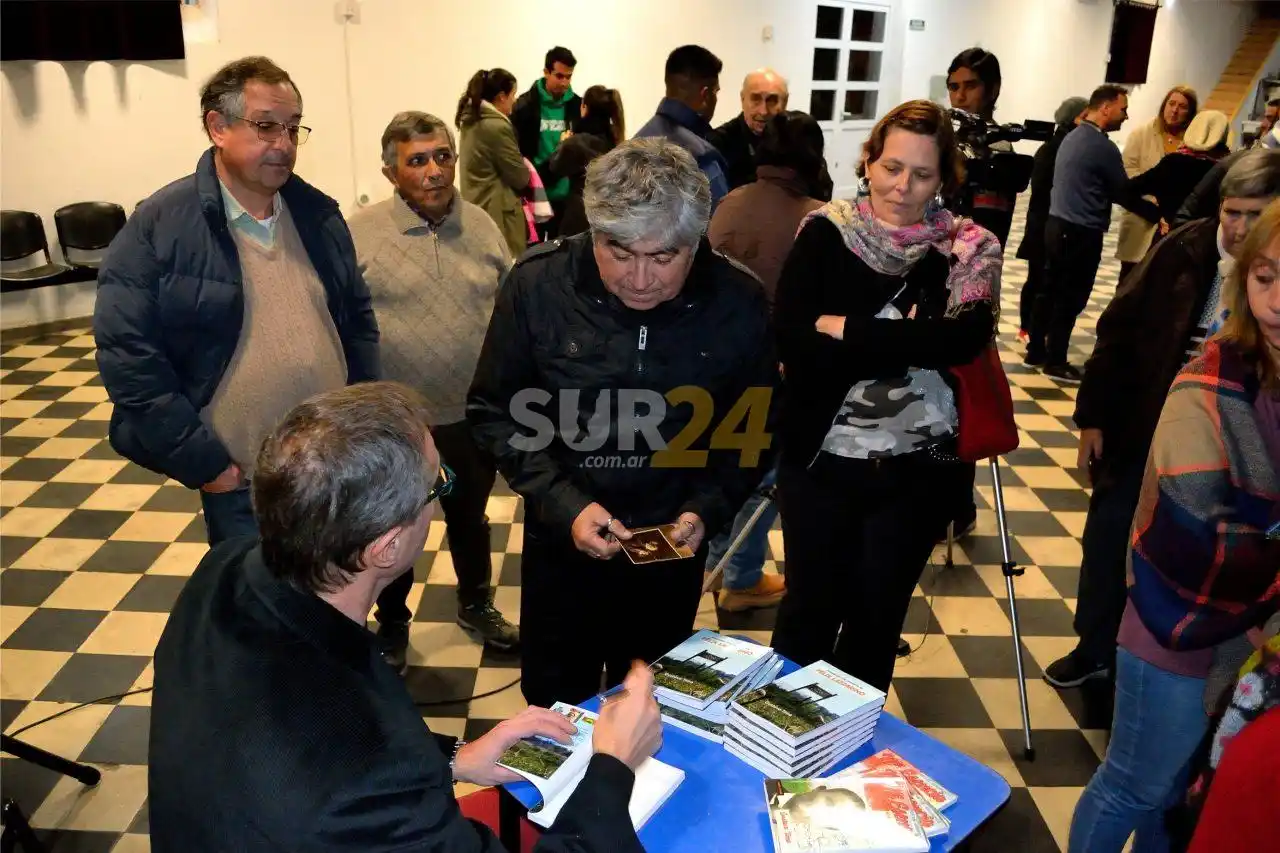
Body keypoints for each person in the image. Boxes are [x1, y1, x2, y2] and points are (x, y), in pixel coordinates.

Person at [148, 382, 663, 853]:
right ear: (388, 546)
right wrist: (614, 765)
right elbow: (355, 765)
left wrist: (454, 758)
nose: (442, 495)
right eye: (438, 483)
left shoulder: (224, 569)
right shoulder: (365, 791)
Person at [467, 138, 778, 708]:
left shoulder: (737, 301)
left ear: (697, 241)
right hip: (563, 549)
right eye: (619, 252)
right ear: (593, 231)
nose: (639, 279)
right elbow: (493, 411)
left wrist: (705, 511)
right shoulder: (538, 286)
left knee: (651, 713)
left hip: (670, 555)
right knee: (557, 716)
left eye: (663, 258)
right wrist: (567, 505)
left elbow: (754, 430)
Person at [93, 56, 379, 549]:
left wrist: (364, 419)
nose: (284, 145)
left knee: (334, 603)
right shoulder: (159, 226)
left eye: (293, 129)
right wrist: (204, 462)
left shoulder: (320, 216)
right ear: (218, 127)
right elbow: (129, 358)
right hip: (240, 482)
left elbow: (358, 324)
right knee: (259, 612)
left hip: (332, 468)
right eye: (266, 126)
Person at [1066, 199, 1280, 853]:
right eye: (1265, 276)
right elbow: (1193, 540)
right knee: (1138, 785)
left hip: (1250, 634)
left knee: (1187, 796)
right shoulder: (1207, 384)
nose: (1275, 299)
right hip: (1179, 626)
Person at [769, 100, 1002, 693]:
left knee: (875, 625)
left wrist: (848, 329)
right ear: (868, 161)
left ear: (944, 178)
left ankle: (847, 767)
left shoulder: (966, 246)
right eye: (892, 167)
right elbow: (795, 340)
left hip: (920, 469)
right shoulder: (825, 231)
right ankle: (780, 759)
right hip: (821, 458)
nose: (904, 186)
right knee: (807, 618)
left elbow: (965, 339)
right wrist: (915, 339)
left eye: (922, 174)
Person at [1045, 150, 1280, 690]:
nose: (1240, 227)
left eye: (1255, 214)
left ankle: (1193, 655)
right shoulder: (1183, 246)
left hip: (1236, 439)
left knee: (1205, 547)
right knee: (1111, 534)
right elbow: (1118, 331)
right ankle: (1095, 645)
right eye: (1232, 212)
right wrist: (1093, 418)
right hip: (1148, 422)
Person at [349, 112, 520, 670]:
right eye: (417, 160)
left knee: (468, 516)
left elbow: (511, 305)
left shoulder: (483, 226)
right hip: (395, 419)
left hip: (471, 412)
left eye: (442, 155)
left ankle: (476, 604)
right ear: (390, 170)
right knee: (392, 523)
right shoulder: (361, 233)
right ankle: (392, 622)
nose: (434, 170)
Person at [702, 110, 827, 613]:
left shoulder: (729, 203)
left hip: (716, 360)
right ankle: (740, 576)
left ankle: (713, 564)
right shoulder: (816, 217)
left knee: (723, 463)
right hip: (777, 367)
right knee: (765, 475)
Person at [1025, 84, 1142, 383]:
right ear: (1106, 107)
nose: (1125, 116)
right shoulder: (1101, 146)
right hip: (1081, 231)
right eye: (1123, 109)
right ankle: (1056, 360)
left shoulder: (1072, 137)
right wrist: (1157, 211)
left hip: (1057, 225)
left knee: (1049, 290)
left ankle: (1036, 350)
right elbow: (1124, 192)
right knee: (1071, 296)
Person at [1016, 96, 1088, 339]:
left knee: (1044, 280)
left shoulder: (1064, 146)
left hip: (1050, 224)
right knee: (1038, 279)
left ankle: (1035, 328)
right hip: (1044, 225)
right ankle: (1028, 327)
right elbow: (1043, 190)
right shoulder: (1053, 148)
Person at [1116, 85, 1198, 282]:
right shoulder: (1141, 134)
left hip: (1173, 223)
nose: (1175, 110)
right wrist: (1153, 199)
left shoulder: (1193, 142)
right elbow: (1128, 171)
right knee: (1129, 281)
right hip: (1142, 215)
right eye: (1171, 104)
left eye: (1182, 106)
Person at [634, 45, 731, 208]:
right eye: (716, 92)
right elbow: (720, 224)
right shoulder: (702, 157)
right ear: (705, 95)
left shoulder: (632, 145)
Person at [945, 48, 1017, 248]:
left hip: (971, 258)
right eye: (953, 87)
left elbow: (987, 224)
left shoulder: (997, 147)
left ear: (992, 90)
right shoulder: (953, 137)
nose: (960, 96)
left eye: (970, 86)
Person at [1124, 109, 1231, 240]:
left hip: (1169, 239)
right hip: (1206, 243)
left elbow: (1128, 190)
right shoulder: (1227, 170)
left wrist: (1155, 214)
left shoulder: (1172, 163)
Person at [457, 68, 530, 257]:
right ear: (501, 97)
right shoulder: (496, 126)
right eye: (513, 95)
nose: (515, 100)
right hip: (499, 213)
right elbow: (519, 177)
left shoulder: (471, 120)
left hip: (478, 206)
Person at [512, 46, 581, 237]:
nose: (565, 82)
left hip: (566, 199)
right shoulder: (525, 106)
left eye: (569, 77)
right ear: (546, 72)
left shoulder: (576, 106)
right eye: (559, 76)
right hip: (534, 195)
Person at [551, 85, 625, 237]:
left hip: (577, 216)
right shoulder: (617, 141)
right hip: (607, 216)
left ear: (584, 107)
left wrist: (562, 143)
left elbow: (555, 167)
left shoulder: (576, 143)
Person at [708, 68, 790, 192]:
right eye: (756, 99)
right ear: (742, 99)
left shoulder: (797, 140)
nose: (763, 111)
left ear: (785, 102)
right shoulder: (718, 144)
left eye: (772, 100)